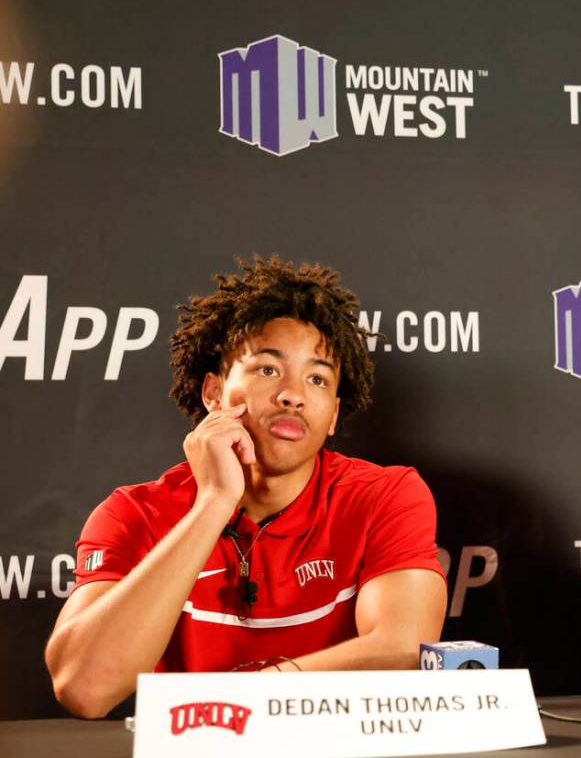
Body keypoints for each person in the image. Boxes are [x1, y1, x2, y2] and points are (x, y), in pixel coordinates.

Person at [45, 257, 446, 718]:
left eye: (317, 378)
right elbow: (83, 688)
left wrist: (255, 694)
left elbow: (403, 649)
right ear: (214, 394)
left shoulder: (385, 495)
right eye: (268, 370)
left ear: (333, 415)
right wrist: (214, 502)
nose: (293, 394)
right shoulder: (133, 513)